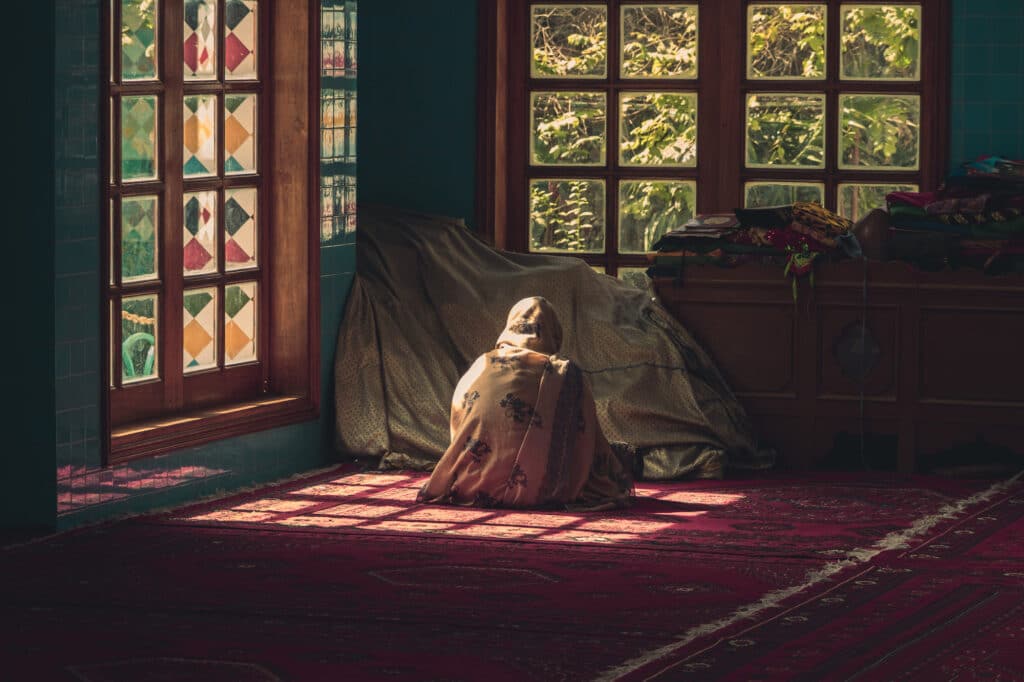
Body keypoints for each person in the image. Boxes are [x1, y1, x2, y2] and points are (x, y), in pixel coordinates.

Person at [417, 297, 634, 510]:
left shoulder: (482, 364)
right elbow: (586, 440)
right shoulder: (564, 373)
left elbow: (459, 425)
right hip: (543, 493)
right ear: (553, 333)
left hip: (473, 486)